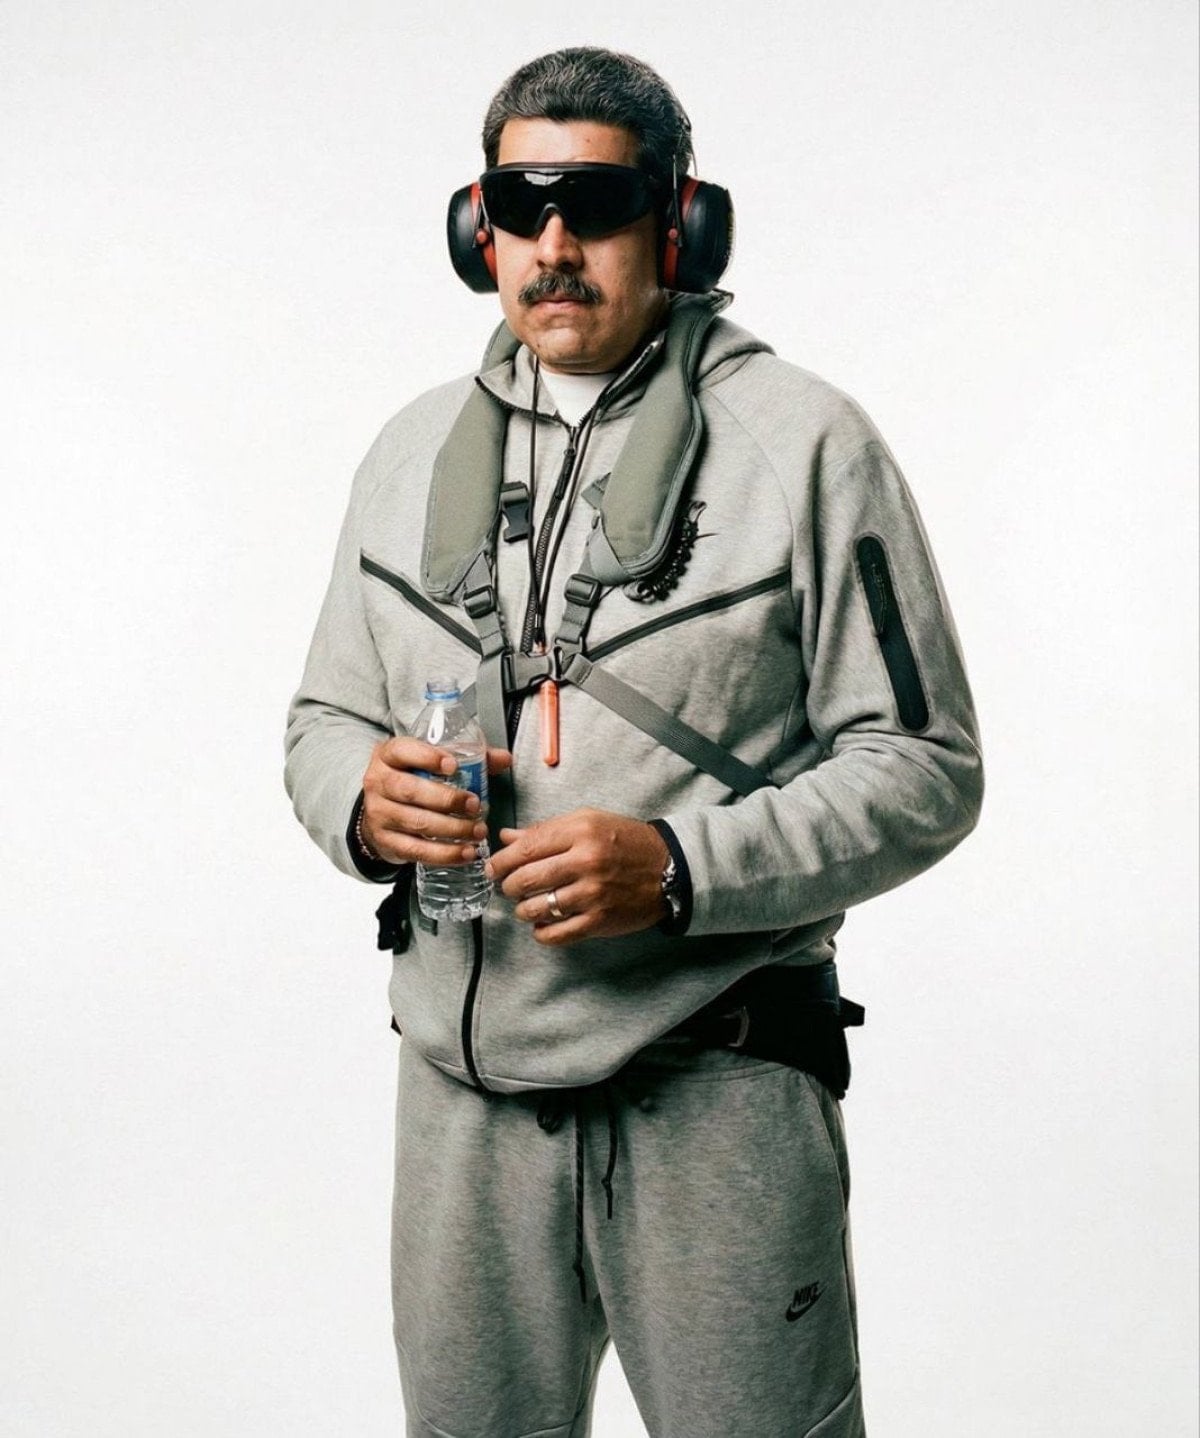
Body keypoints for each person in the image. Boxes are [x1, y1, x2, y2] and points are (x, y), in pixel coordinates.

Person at [285, 45, 982, 1438]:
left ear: (680, 226)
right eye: (519, 205)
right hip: (462, 1114)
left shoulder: (809, 445)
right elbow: (321, 722)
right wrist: (360, 803)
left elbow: (925, 765)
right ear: (475, 229)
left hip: (712, 1090)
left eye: (595, 206)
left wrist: (676, 868)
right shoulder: (404, 455)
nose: (553, 247)